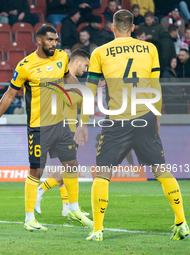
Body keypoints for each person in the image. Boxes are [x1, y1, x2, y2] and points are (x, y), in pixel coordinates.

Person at [75, 9, 189, 241]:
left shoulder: (100, 52)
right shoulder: (150, 49)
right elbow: (155, 87)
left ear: (112, 28)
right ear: (134, 28)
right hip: (145, 116)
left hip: (118, 120)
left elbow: (90, 90)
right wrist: (156, 119)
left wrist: (82, 124)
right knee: (162, 170)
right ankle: (182, 222)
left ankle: (97, 229)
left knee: (102, 175)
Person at [0, 25, 93, 231]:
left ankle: (74, 209)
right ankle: (29, 218)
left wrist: (80, 88)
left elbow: (67, 76)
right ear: (39, 40)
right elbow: (10, 94)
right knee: (36, 171)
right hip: (39, 128)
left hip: (60, 125)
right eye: (50, 40)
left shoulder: (61, 57)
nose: (54, 44)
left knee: (72, 164)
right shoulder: (26, 66)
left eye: (56, 40)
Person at [34, 49, 90, 217]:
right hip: (62, 129)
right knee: (70, 168)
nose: (86, 70)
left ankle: (67, 207)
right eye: (85, 65)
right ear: (77, 61)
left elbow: (80, 105)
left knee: (68, 168)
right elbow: (69, 99)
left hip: (70, 129)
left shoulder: (74, 83)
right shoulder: (63, 80)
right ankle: (40, 190)